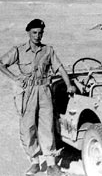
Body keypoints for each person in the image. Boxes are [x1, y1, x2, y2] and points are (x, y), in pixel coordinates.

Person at [0, 19, 75, 176]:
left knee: (46, 127)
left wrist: (69, 84)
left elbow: (60, 68)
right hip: (26, 92)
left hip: (44, 91)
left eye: (40, 33)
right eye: (34, 32)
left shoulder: (48, 50)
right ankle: (34, 161)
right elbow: (1, 63)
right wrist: (14, 78)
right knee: (27, 128)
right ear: (28, 33)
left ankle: (51, 164)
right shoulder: (19, 50)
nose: (37, 36)